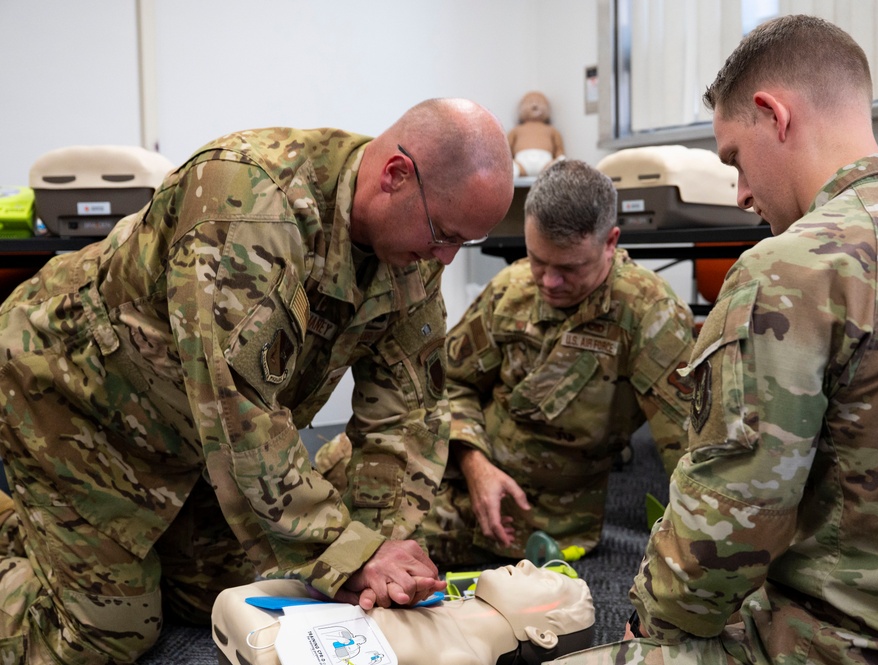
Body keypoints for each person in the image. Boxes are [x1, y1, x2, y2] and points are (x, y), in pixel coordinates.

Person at [550, 14, 878, 665]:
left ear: (773, 114)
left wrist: (652, 618)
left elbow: (731, 515)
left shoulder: (789, 266)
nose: (739, 194)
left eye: (734, 157)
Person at [0, 97, 514, 664]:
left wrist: (377, 559)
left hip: (185, 429)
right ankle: (26, 522)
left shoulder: (412, 250)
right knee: (106, 634)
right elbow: (238, 414)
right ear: (395, 175)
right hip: (71, 400)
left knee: (222, 596)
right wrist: (346, 552)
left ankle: (68, 538)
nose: (443, 260)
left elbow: (409, 411)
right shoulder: (248, 206)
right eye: (443, 233)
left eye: (461, 243)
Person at [403, 159, 694, 567]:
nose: (548, 282)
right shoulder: (513, 287)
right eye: (538, 259)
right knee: (341, 464)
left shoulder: (648, 316)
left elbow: (690, 455)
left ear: (610, 242)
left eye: (570, 267)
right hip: (460, 461)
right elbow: (451, 381)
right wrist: (474, 463)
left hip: (534, 513)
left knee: (383, 534)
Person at [212, 559, 595, 665]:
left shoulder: (467, 655)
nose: (527, 562)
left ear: (543, 636)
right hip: (274, 615)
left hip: (282, 648)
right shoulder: (440, 600)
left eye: (545, 582)